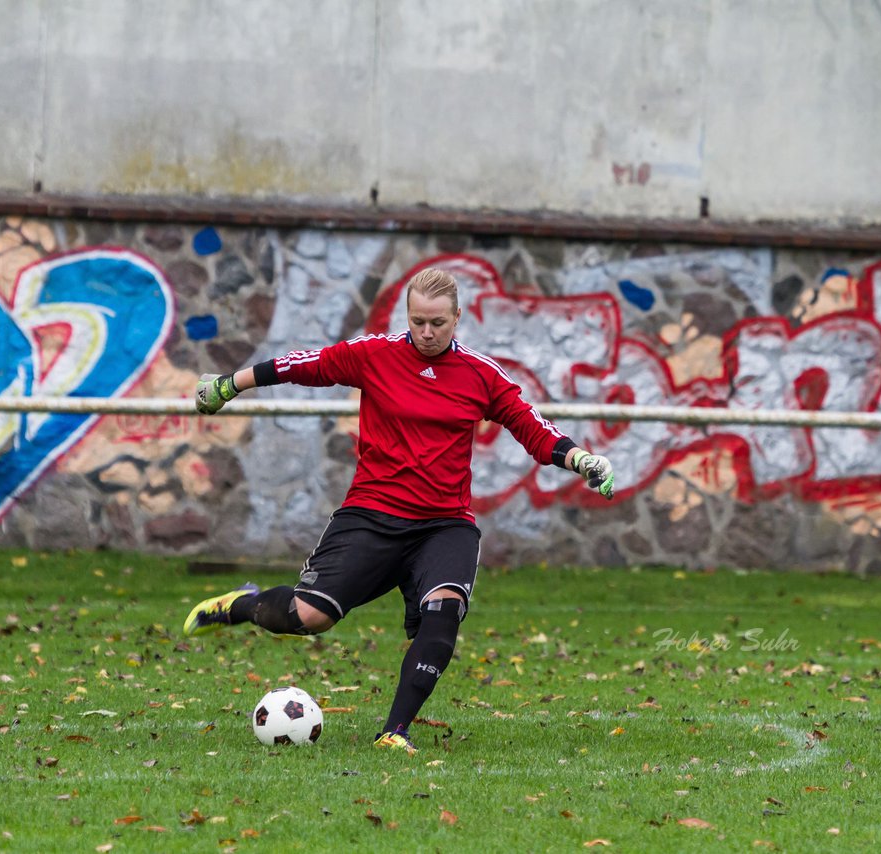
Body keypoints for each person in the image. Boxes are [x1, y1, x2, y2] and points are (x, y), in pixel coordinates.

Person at [184, 266, 615, 755]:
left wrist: (581, 459)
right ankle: (242, 604)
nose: (427, 333)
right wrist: (229, 384)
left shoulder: (480, 375)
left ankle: (394, 732)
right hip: (372, 514)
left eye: (438, 323)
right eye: (418, 322)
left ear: (458, 317)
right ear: (406, 317)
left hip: (443, 524)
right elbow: (302, 365)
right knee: (309, 618)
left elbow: (530, 426)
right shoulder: (375, 356)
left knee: (444, 611)